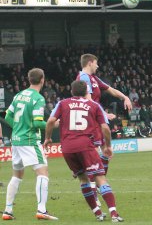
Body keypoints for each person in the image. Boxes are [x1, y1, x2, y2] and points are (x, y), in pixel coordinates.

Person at [44, 80, 123, 222]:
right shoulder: (94, 105)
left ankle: (98, 213)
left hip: (67, 148)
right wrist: (108, 146)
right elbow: (105, 128)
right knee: (100, 178)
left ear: (72, 91)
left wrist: (48, 138)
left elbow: (50, 121)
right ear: (87, 91)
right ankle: (114, 213)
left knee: (83, 179)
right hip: (86, 146)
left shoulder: (62, 103)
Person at [77, 53, 133, 204]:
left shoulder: (94, 78)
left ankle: (100, 185)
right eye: (96, 63)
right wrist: (103, 113)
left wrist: (125, 97)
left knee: (105, 154)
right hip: (89, 122)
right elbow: (88, 100)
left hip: (96, 119)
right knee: (93, 159)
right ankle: (94, 191)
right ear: (89, 63)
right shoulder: (84, 78)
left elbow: (110, 89)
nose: (97, 66)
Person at [2, 68, 58, 220]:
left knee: (17, 175)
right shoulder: (37, 98)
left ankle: (7, 211)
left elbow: (7, 116)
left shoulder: (19, 95)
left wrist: (19, 128)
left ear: (28, 79)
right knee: (42, 173)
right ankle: (42, 210)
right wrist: (53, 124)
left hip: (16, 140)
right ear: (42, 80)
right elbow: (38, 123)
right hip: (29, 141)